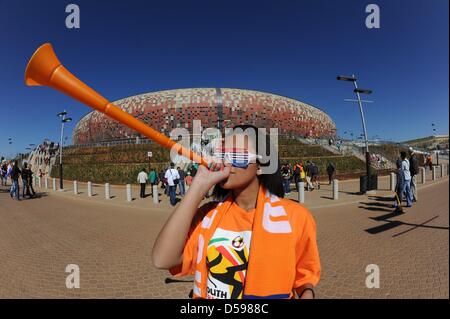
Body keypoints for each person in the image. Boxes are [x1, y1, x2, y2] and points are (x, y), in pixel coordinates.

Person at [152, 124, 320, 299]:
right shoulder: (207, 216)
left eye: (238, 155)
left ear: (261, 166)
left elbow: (305, 274)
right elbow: (162, 259)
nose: (227, 162)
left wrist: (307, 291)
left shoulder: (296, 217)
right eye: (222, 155)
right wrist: (198, 186)